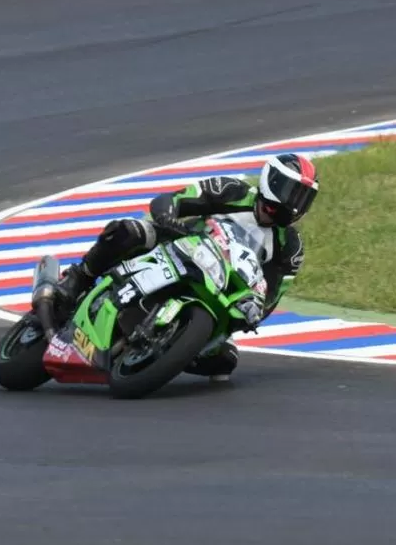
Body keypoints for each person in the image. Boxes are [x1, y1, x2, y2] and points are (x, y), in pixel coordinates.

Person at [55, 153, 320, 380]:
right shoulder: (233, 191)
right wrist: (167, 216)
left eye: (303, 197)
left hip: (220, 293)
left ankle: (166, 348)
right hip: (179, 247)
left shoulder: (290, 247)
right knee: (129, 231)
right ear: (271, 181)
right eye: (292, 192)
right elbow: (174, 199)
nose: (295, 204)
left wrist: (251, 311)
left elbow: (270, 297)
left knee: (224, 363)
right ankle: (79, 278)